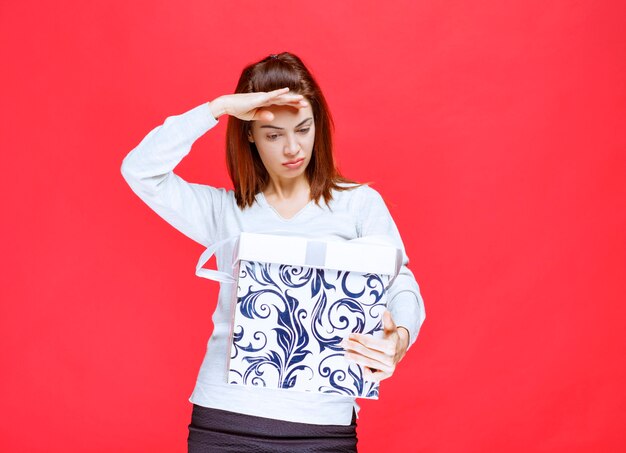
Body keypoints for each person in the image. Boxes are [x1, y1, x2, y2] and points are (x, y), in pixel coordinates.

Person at [120, 52, 425, 453]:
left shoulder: (360, 205)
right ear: (249, 133)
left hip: (323, 428)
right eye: (273, 134)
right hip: (225, 422)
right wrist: (220, 108)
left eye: (303, 128)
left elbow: (400, 283)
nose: (292, 148)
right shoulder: (225, 211)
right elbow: (140, 170)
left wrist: (398, 339)